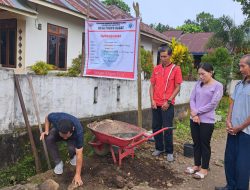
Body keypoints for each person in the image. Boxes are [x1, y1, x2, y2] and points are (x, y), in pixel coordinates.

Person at [215, 54, 250, 190]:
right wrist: (228, 120)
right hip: (233, 130)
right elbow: (232, 103)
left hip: (246, 133)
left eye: (243, 66)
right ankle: (230, 186)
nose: (240, 69)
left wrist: (239, 127)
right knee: (230, 160)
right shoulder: (239, 85)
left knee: (242, 165)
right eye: (239, 66)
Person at [185, 63, 223, 179]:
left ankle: (204, 168)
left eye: (203, 74)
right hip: (194, 118)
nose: (200, 76)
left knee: (204, 144)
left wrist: (197, 112)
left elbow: (213, 104)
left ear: (211, 72)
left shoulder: (218, 86)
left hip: (207, 121)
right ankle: (196, 165)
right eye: (199, 74)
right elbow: (192, 99)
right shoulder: (198, 84)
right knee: (196, 143)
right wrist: (194, 113)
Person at [149, 46, 183, 162]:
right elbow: (152, 85)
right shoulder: (156, 69)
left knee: (167, 128)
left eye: (165, 56)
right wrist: (152, 100)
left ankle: (169, 151)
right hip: (156, 104)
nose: (162, 58)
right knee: (155, 127)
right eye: (161, 56)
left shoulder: (176, 69)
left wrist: (168, 101)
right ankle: (159, 148)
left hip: (167, 105)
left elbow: (178, 87)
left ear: (170, 56)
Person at [40, 112, 84, 186]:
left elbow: (79, 153)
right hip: (59, 131)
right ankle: (58, 163)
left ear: (72, 130)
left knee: (72, 148)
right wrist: (46, 130)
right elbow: (47, 117)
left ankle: (73, 157)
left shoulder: (78, 131)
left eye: (66, 136)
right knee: (49, 138)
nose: (65, 139)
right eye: (63, 136)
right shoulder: (55, 118)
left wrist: (78, 175)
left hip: (72, 137)